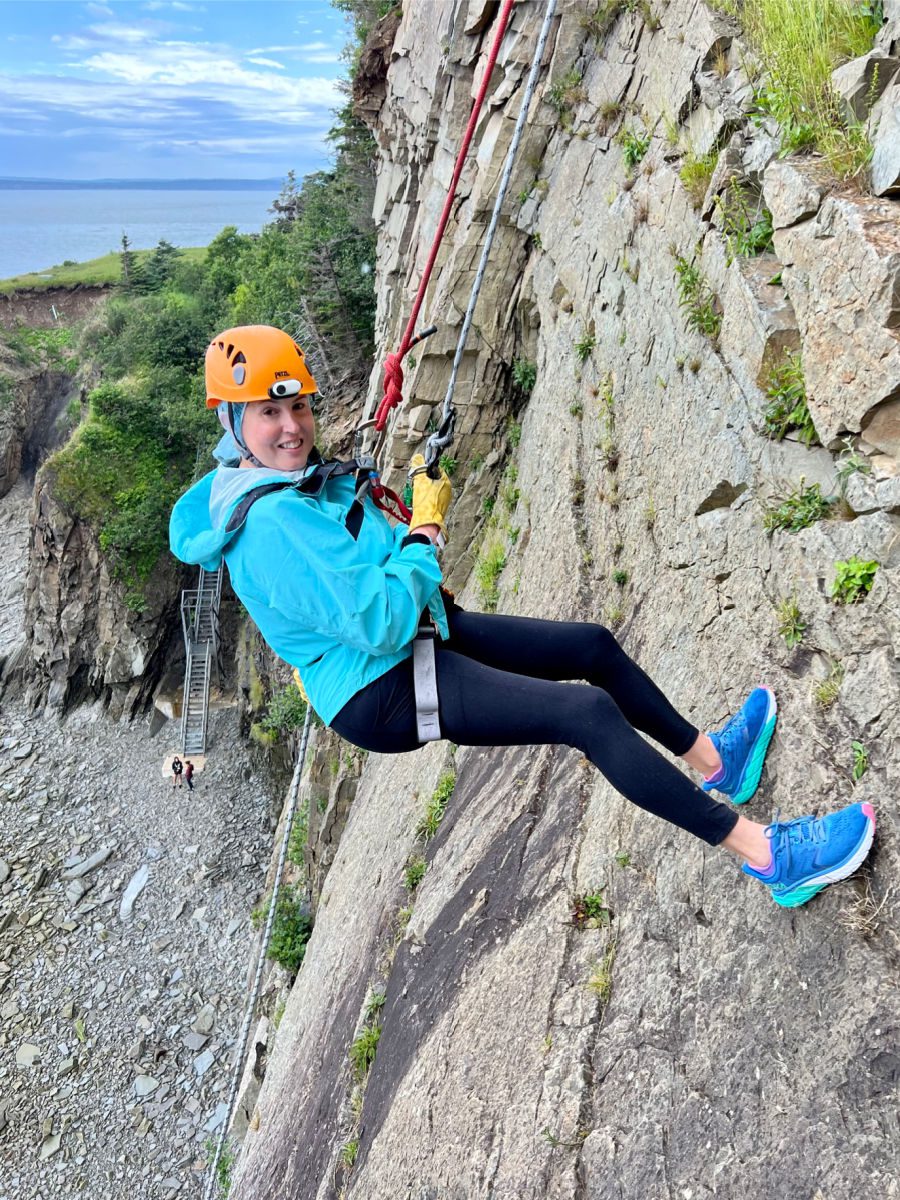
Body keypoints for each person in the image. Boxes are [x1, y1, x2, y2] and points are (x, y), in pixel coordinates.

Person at [170, 325, 876, 909]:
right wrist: (425, 532)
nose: (292, 426)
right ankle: (769, 856)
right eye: (269, 412)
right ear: (231, 421)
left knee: (594, 647)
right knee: (587, 715)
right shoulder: (269, 525)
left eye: (299, 408)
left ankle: (717, 762)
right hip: (379, 687)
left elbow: (366, 567)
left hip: (416, 639)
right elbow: (381, 615)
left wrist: (405, 516)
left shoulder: (286, 482)